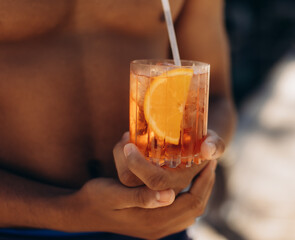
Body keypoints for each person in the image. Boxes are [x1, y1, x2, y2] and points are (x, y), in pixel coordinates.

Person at [0, 0, 236, 239]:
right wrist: (69, 211)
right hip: (19, 229)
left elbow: (216, 97)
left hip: (158, 221)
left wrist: (196, 153)